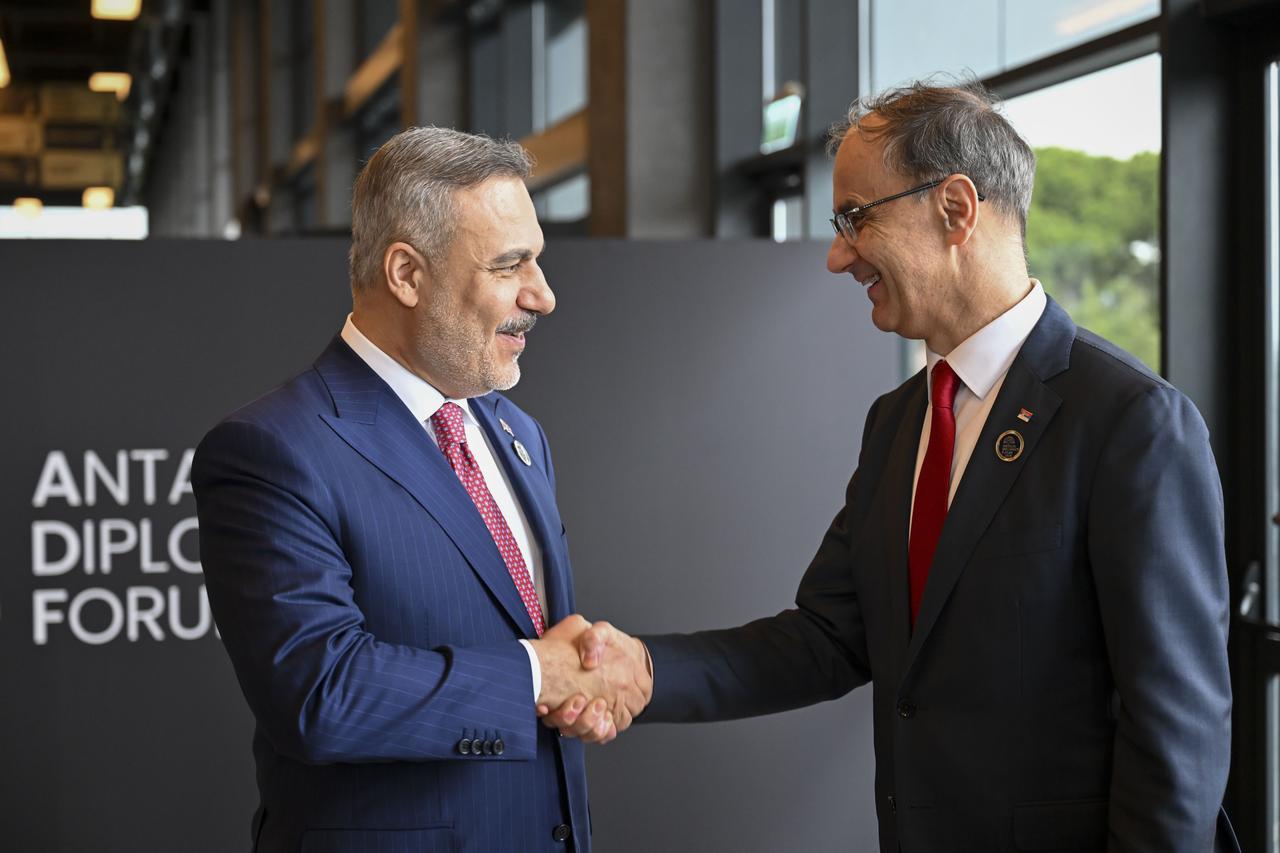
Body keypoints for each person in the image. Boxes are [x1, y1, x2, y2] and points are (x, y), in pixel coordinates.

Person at [544, 81, 1236, 852]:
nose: (839, 255)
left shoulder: (1131, 422)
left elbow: (1178, 736)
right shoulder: (900, 419)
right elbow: (828, 638)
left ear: (955, 209)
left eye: (855, 218)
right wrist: (640, 668)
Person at [192, 126, 649, 853]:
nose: (544, 295)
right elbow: (321, 693)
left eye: (539, 259)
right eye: (511, 265)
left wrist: (581, 677)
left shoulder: (519, 434)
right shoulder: (271, 450)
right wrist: (539, 673)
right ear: (406, 274)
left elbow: (535, 655)